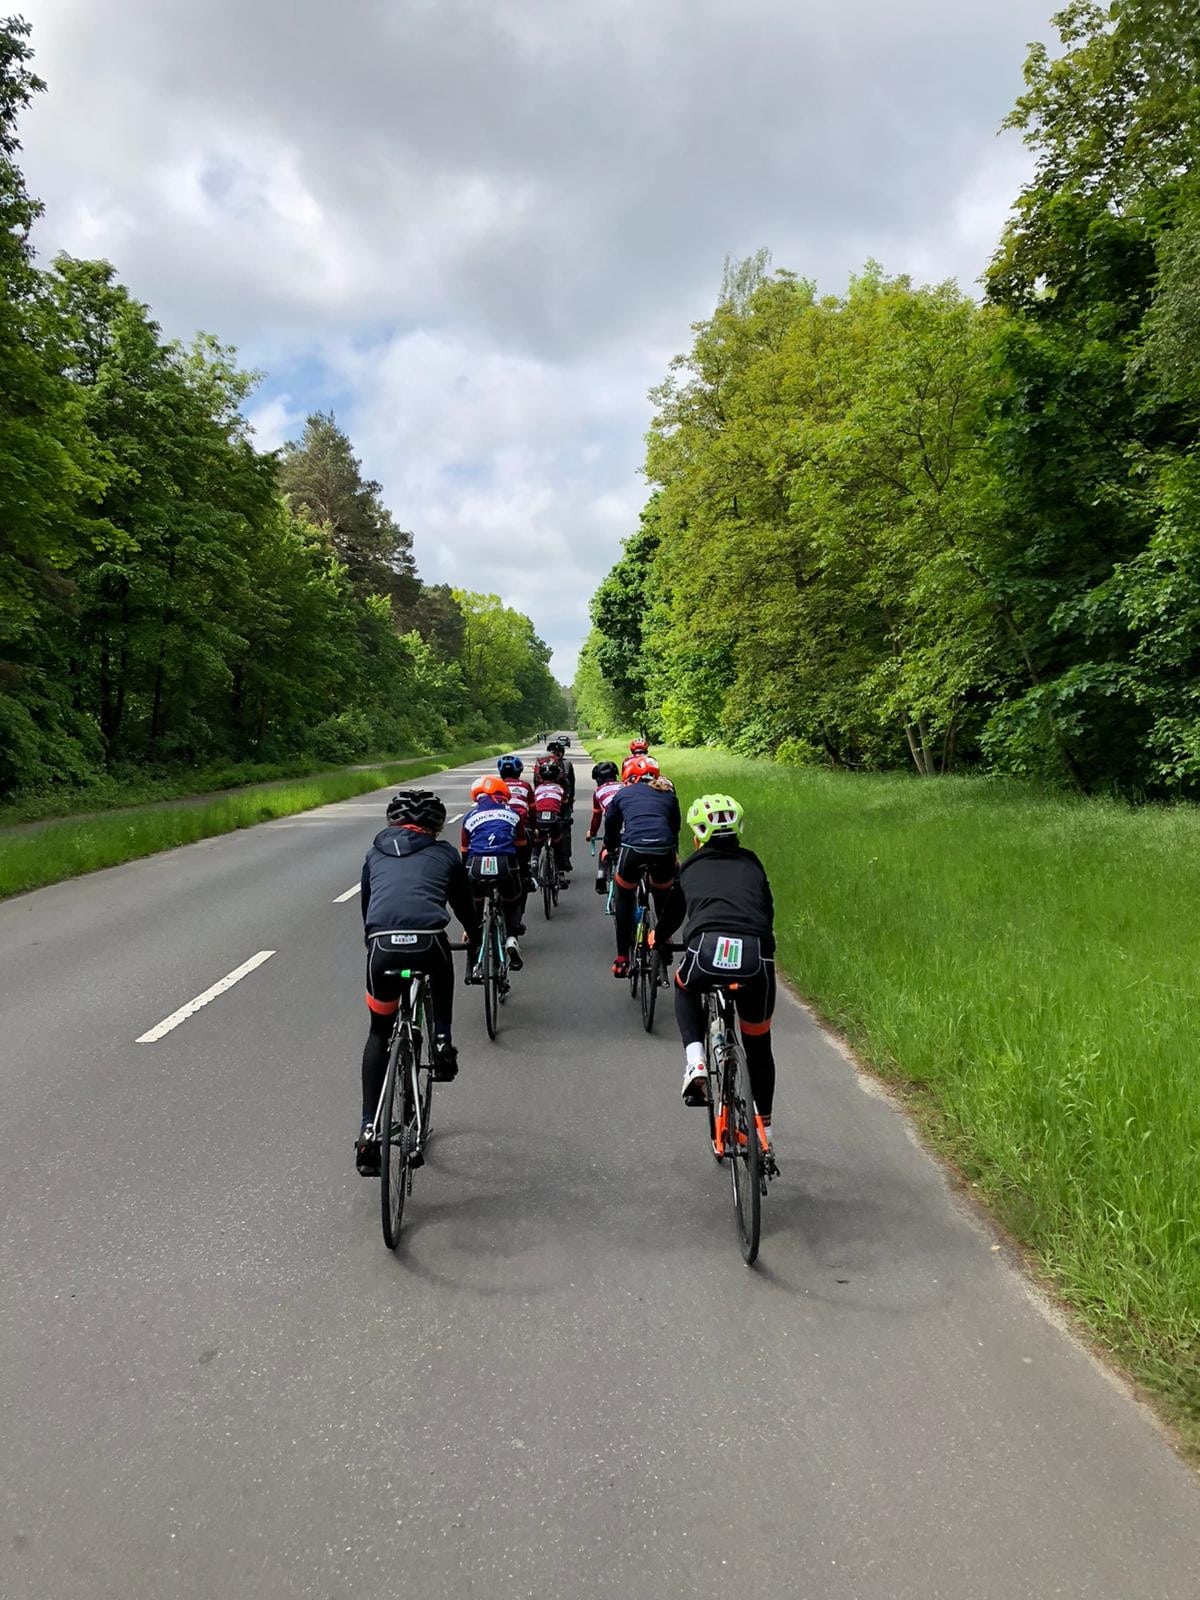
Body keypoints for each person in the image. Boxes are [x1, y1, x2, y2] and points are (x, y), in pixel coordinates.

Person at [356, 789, 481, 1176]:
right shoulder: (444, 854)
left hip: (382, 951)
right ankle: (442, 1042)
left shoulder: (374, 854)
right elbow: (464, 905)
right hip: (428, 944)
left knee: (379, 1033)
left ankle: (369, 1131)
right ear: (436, 826)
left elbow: (368, 908)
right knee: (442, 967)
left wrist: (380, 941)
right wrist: (474, 937)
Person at [656, 793, 778, 1164]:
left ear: (697, 837)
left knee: (684, 985)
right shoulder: (753, 864)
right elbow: (766, 912)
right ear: (738, 830)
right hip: (756, 956)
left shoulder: (690, 868)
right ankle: (765, 1133)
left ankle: (695, 1061)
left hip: (706, 951)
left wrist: (658, 939)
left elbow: (674, 913)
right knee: (758, 1044)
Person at [602, 756, 680, 978]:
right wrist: (672, 852)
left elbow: (611, 824)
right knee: (663, 892)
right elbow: (674, 827)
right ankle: (663, 939)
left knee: (624, 894)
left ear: (627, 777)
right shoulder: (668, 793)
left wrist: (609, 847)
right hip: (663, 849)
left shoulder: (623, 793)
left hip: (633, 848)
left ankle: (622, 958)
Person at [461, 775, 527, 972]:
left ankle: (473, 957)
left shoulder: (469, 816)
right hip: (504, 863)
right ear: (504, 794)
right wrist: (524, 871)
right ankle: (512, 938)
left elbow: (464, 852)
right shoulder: (513, 813)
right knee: (513, 898)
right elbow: (522, 846)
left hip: (476, 864)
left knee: (476, 901)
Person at [497, 754, 535, 907]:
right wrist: (535, 828)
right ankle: (526, 876)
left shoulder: (495, 786)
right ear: (519, 771)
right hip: (521, 826)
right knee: (522, 863)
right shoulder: (525, 786)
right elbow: (533, 810)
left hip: (499, 827)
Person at [584, 760, 622, 895]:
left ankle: (601, 878)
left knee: (605, 850)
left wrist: (592, 833)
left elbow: (597, 818)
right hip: (631, 825)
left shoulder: (599, 791)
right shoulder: (625, 786)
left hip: (614, 825)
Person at [531, 757, 570, 882]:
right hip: (554, 819)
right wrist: (565, 819)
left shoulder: (536, 790)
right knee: (558, 843)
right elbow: (564, 805)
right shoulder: (560, 789)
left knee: (537, 841)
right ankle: (560, 872)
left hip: (539, 818)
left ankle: (534, 860)